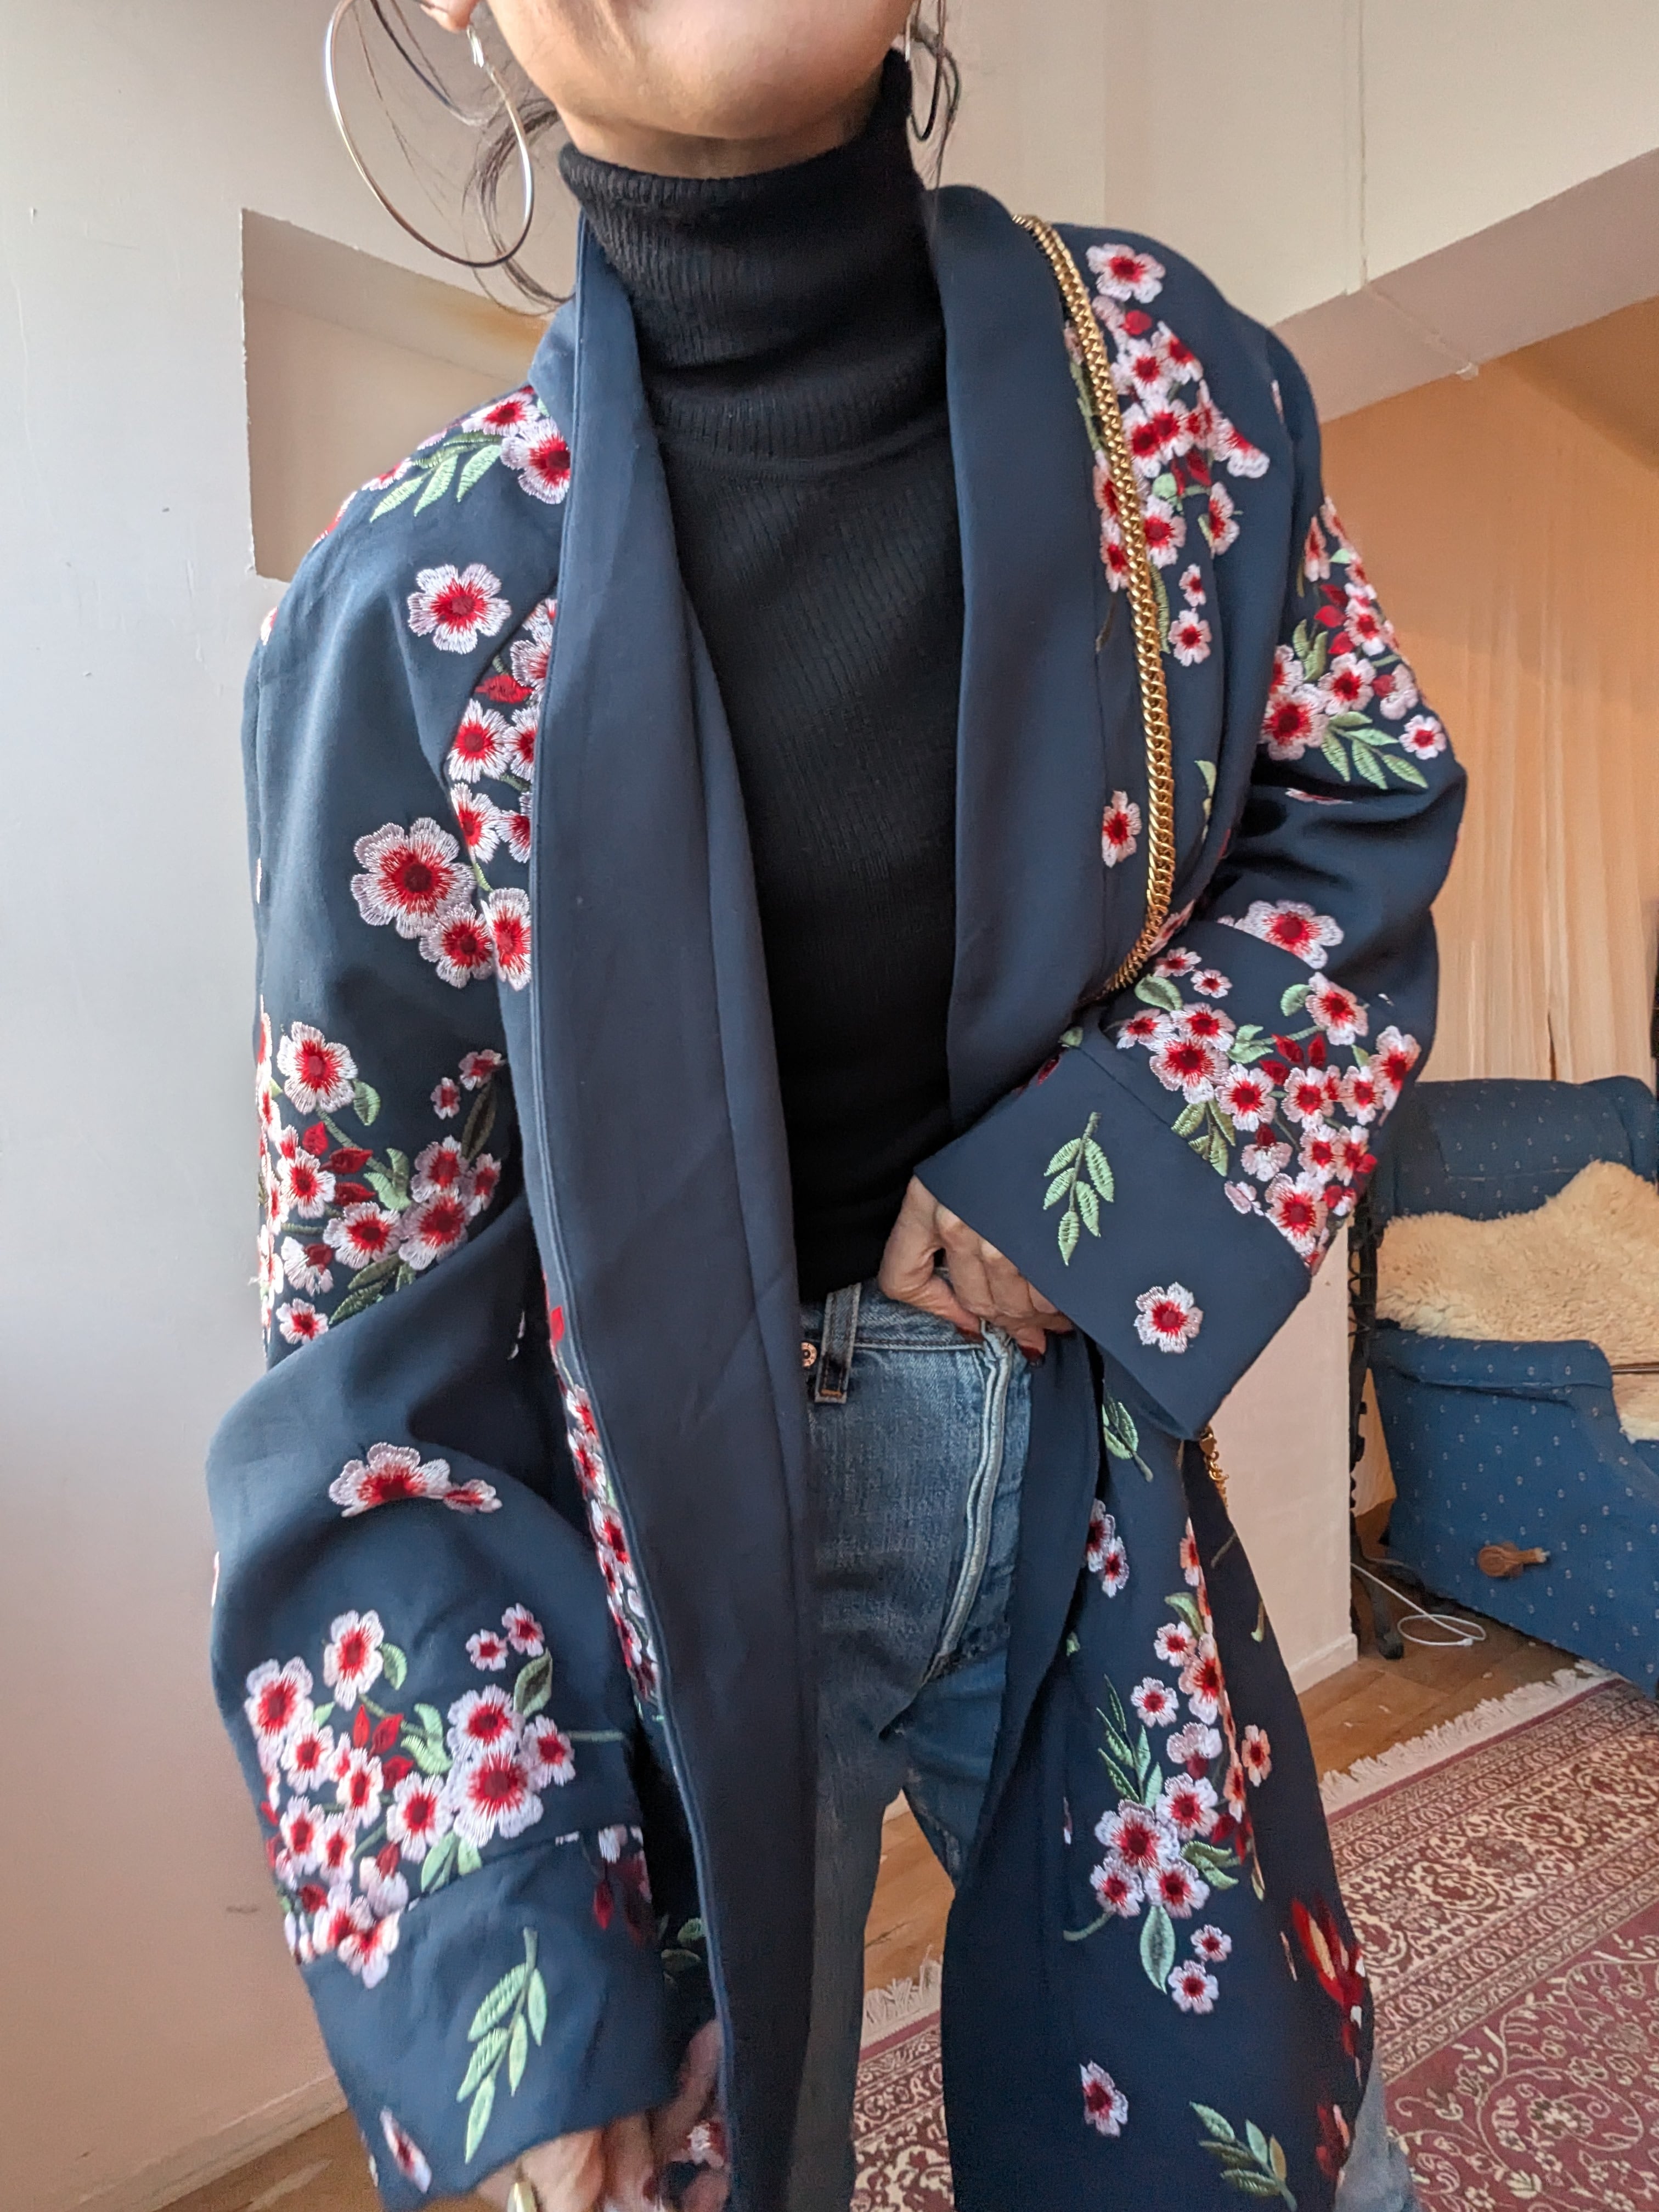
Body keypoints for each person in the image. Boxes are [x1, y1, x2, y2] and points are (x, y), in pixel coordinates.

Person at [208, 4, 1464, 2208]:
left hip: (1075, 1482)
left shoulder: (1171, 391)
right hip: (642, 1597)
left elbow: (1353, 811)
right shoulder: (403, 609)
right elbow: (365, 1342)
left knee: (1263, 2135)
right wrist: (504, 1954)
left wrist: (1087, 1182)